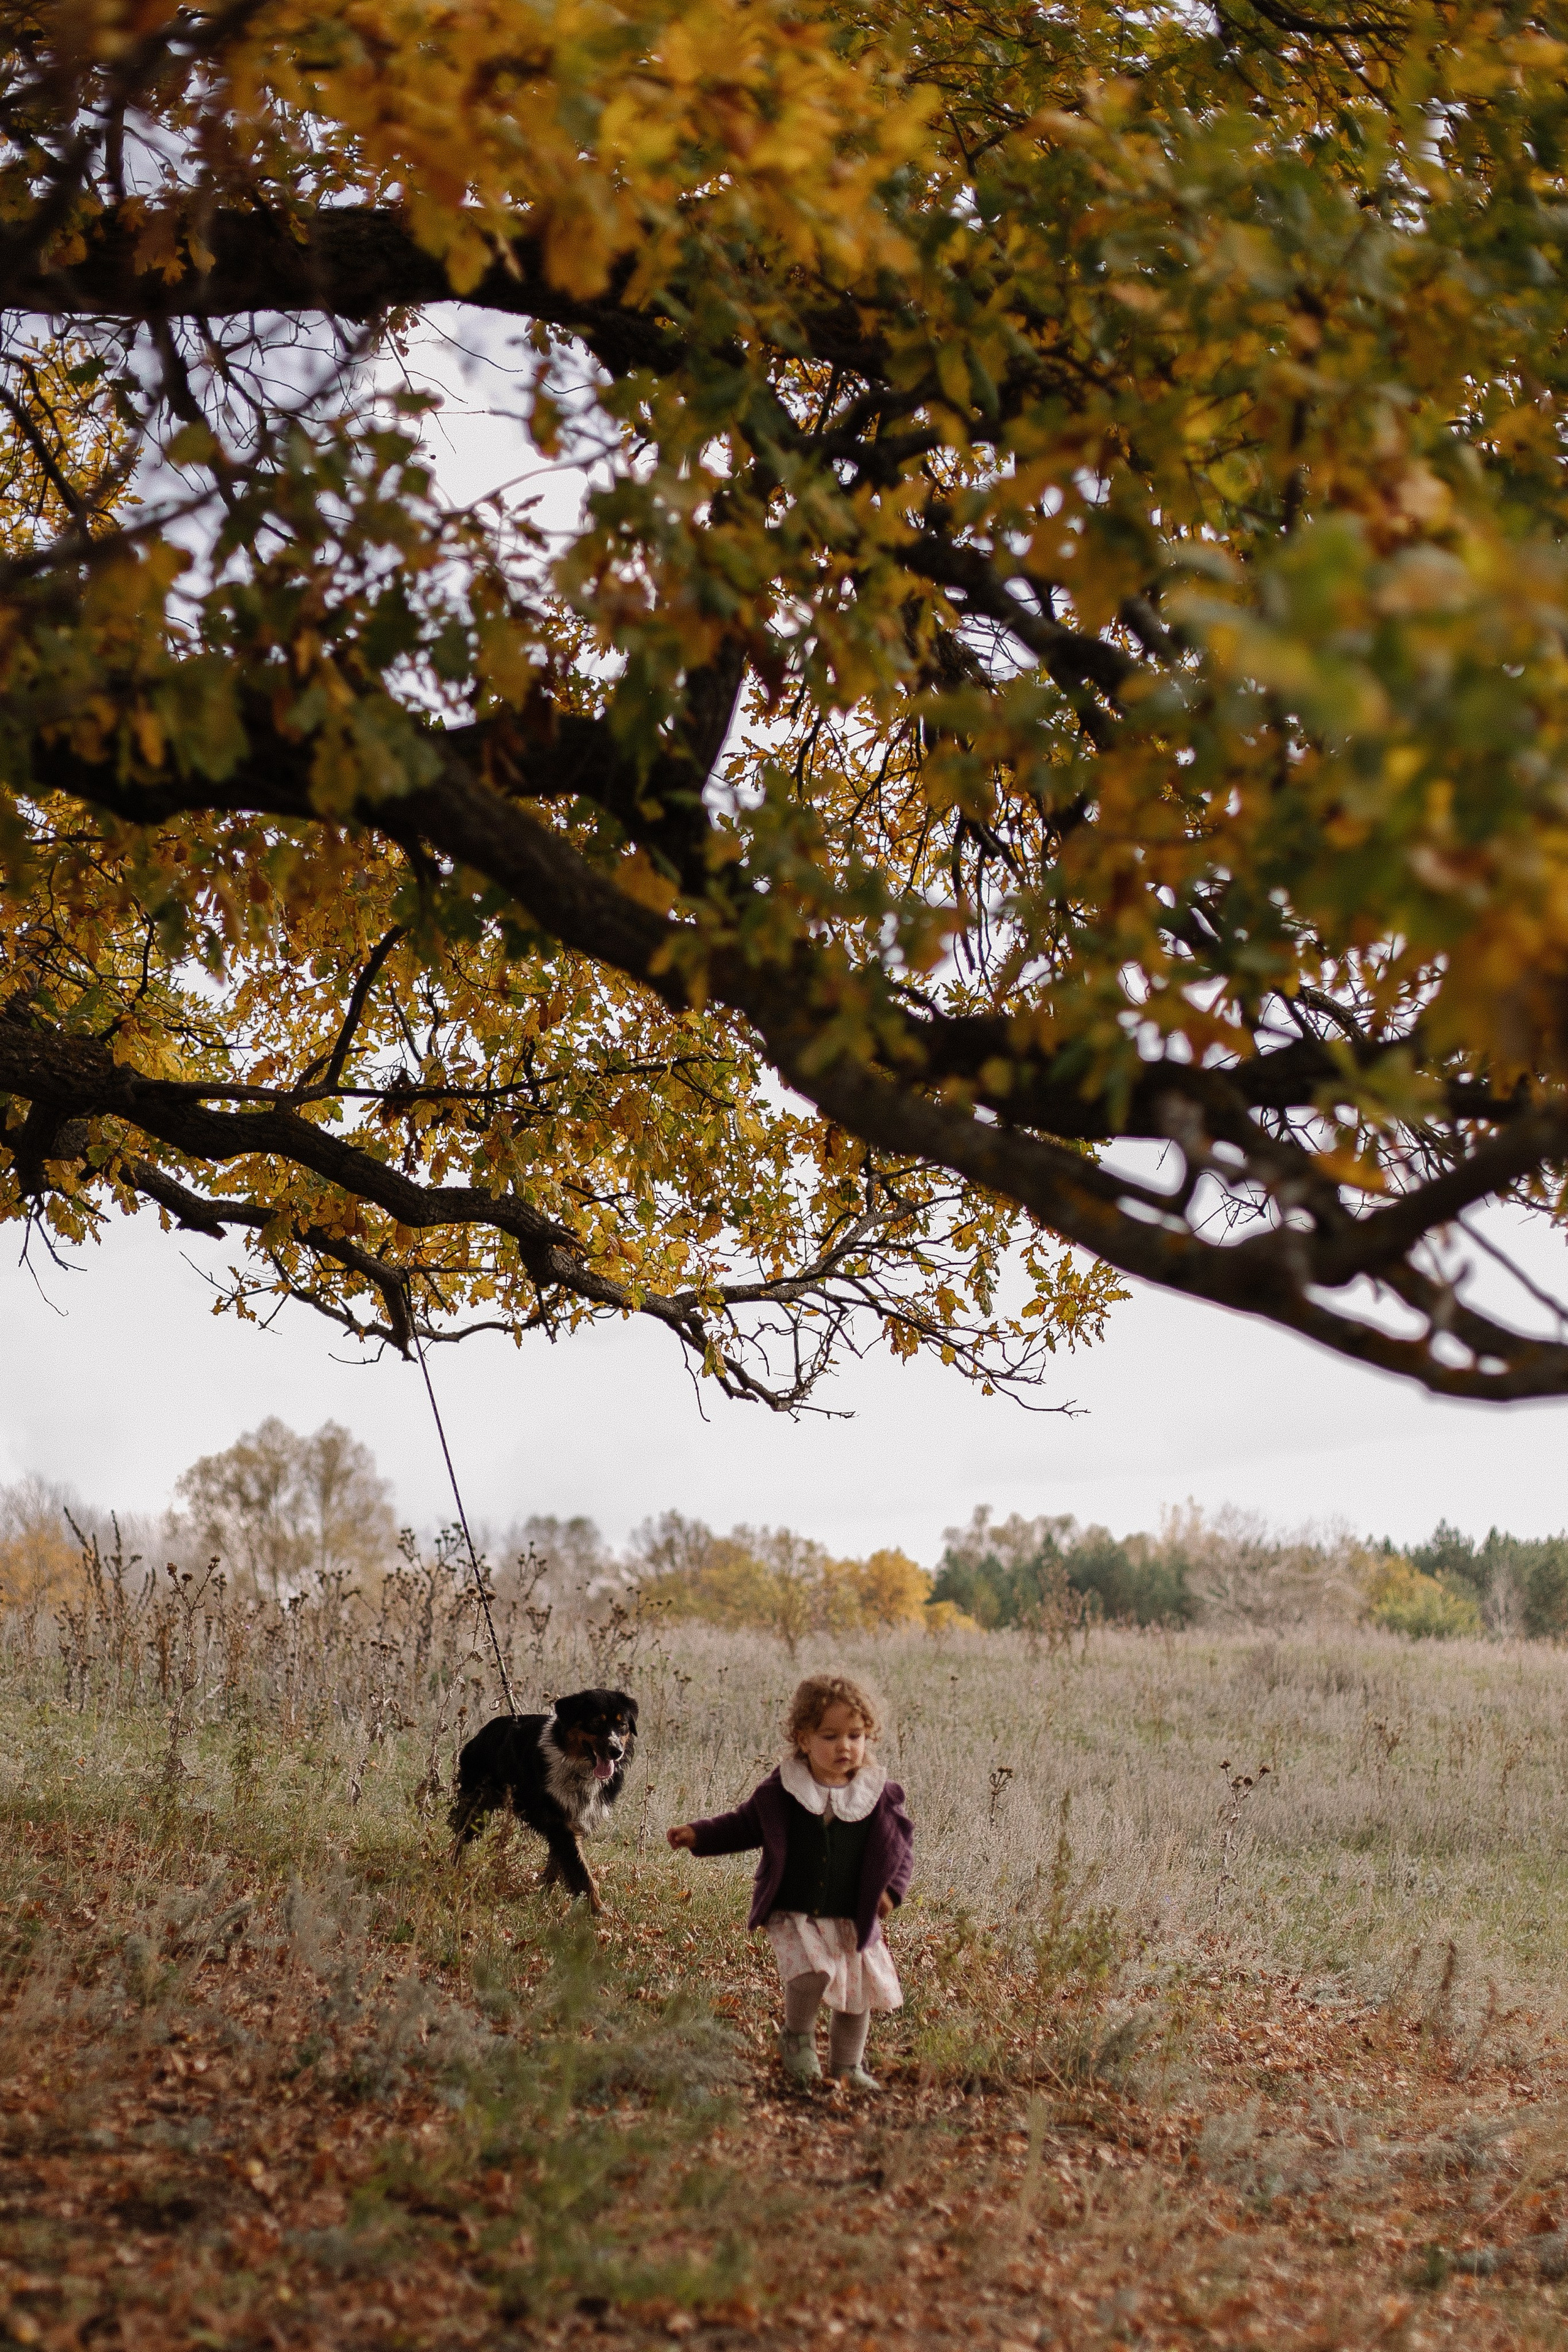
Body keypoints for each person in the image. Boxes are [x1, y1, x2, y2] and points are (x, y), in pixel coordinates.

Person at [667, 1672, 914, 2090]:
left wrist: (891, 1891)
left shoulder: (879, 1794)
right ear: (804, 1739)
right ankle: (797, 2038)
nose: (845, 1747)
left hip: (851, 1916)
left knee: (857, 1996)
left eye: (855, 1735)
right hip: (796, 1908)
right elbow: (745, 1825)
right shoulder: (785, 1789)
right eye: (830, 1736)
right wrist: (700, 1833)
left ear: (869, 1736)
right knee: (812, 1974)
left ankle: (847, 2065)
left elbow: (901, 1849)